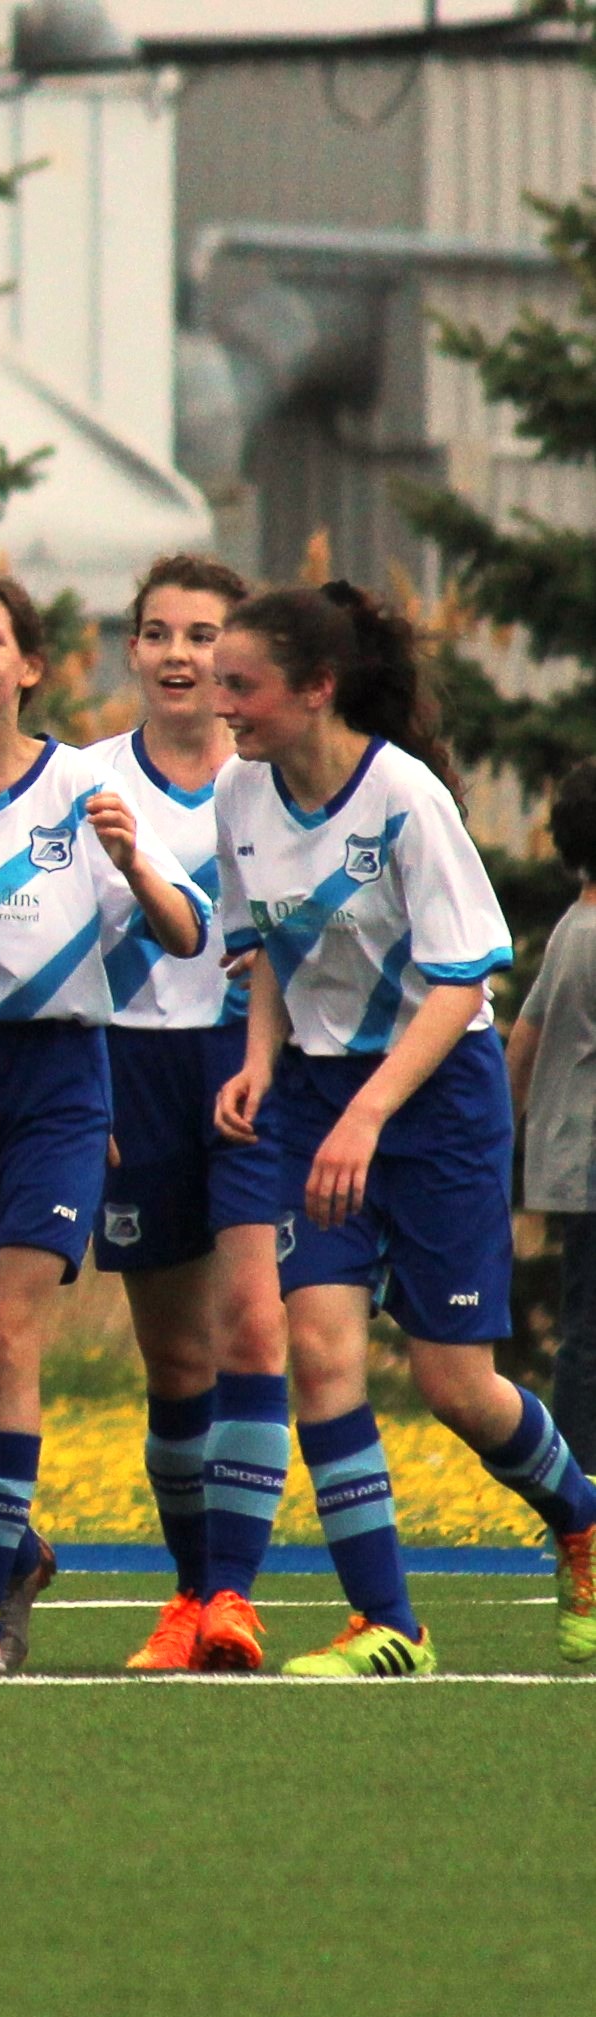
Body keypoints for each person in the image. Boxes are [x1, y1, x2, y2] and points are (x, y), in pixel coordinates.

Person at [215, 583, 596, 1674]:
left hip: (431, 1099)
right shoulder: (240, 799)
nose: (222, 704)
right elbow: (270, 960)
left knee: (453, 1387)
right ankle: (387, 1622)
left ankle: (577, 1517)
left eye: (242, 685)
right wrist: (255, 1063)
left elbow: (461, 979)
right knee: (321, 1354)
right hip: (313, 1099)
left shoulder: (402, 799)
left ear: (315, 689)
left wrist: (368, 1117)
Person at [0, 572, 209, 1675]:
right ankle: (6, 1552)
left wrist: (126, 859)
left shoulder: (80, 783)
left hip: (59, 1080)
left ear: (28, 666)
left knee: (7, 1343)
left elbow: (180, 928)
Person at [87, 555, 291, 1674]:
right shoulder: (81, 778)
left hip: (244, 1064)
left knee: (251, 1326)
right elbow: (52, 943)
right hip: (127, 1072)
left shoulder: (265, 785)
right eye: (158, 632)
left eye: (203, 634)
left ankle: (231, 1598)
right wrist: (80, 1085)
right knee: (171, 1361)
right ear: (130, 650)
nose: (179, 654)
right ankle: (181, 1591)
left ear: (236, 657)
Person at [508, 759, 596, 1509]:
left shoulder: (574, 926)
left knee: (586, 1326)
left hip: (571, 1163)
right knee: (590, 1338)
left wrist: (494, 1134)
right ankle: (581, 1493)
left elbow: (523, 1043)